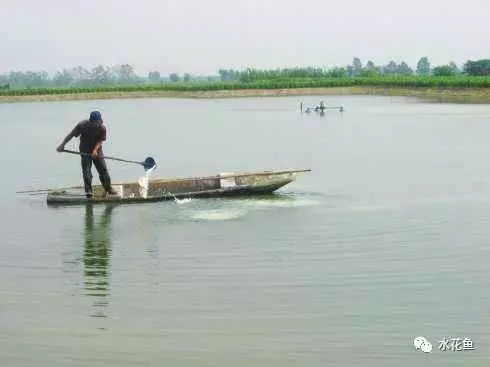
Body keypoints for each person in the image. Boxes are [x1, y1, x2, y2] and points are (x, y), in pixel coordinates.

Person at [56, 111, 116, 198]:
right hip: (84, 150)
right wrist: (62, 145)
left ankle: (108, 189)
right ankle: (88, 190)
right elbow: (71, 135)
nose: (96, 125)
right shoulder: (82, 125)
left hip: (97, 151)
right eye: (94, 123)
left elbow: (100, 141)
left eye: (97, 123)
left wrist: (95, 150)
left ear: (100, 121)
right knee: (86, 171)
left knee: (103, 170)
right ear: (90, 121)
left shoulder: (102, 128)